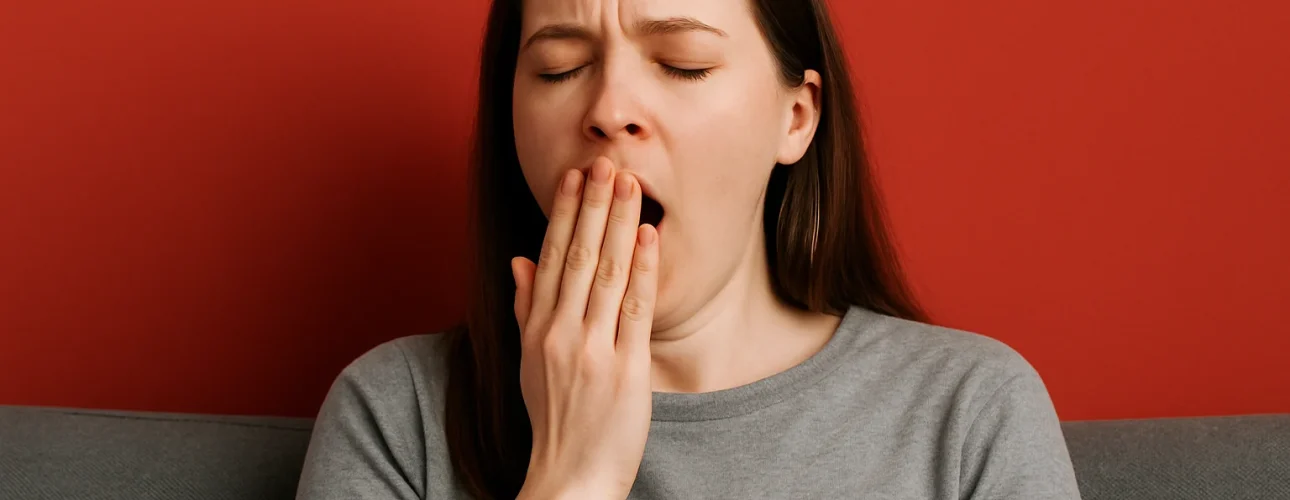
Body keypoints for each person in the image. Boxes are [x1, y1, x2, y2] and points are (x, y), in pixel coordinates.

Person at [296, 0, 1082, 498]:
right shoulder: (395, 415)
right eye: (559, 67)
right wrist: (574, 477)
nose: (608, 110)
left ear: (797, 117)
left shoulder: (969, 413)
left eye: (683, 63)